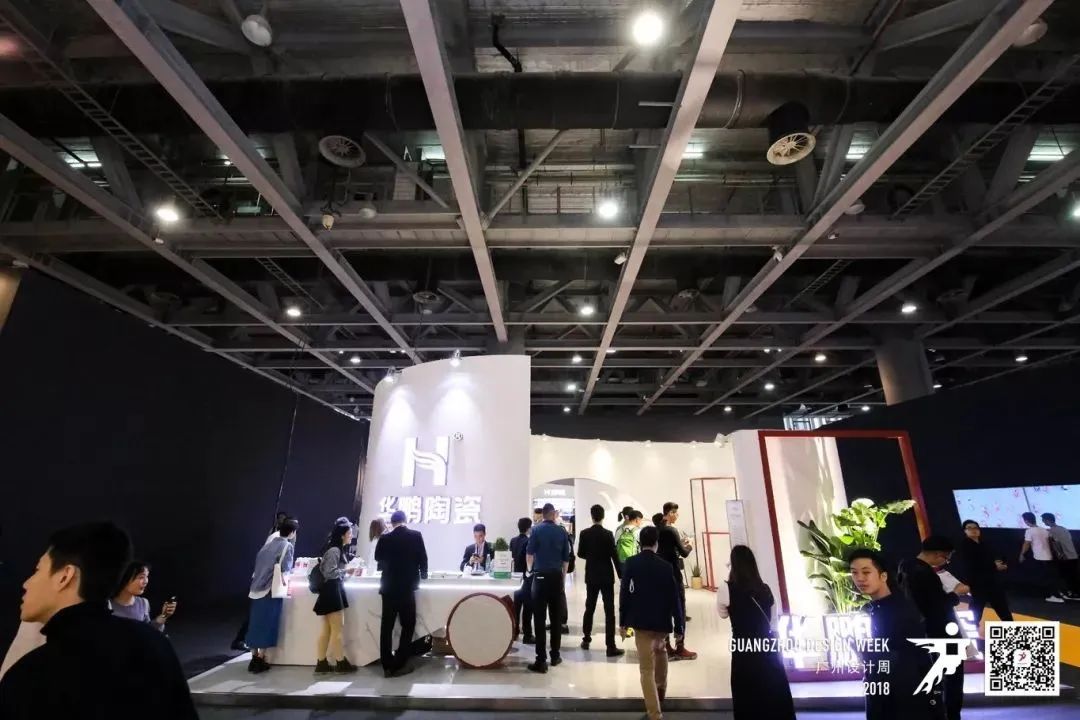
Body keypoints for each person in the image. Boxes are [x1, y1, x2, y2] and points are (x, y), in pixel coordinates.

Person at [0, 522, 196, 719]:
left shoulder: (31, 675)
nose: (26, 583)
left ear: (65, 576)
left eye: (37, 570)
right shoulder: (156, 646)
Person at [848, 548, 934, 720]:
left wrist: (865, 653)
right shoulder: (877, 607)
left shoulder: (898, 609)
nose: (860, 578)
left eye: (866, 572)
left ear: (883, 576)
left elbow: (906, 656)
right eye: (854, 573)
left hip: (902, 693)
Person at [716, 545, 795, 720]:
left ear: (733, 565)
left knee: (746, 694)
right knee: (772, 690)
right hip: (767, 646)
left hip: (743, 648)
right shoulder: (766, 589)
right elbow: (773, 623)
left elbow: (722, 614)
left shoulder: (726, 588)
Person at [898, 536, 968, 720]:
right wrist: (956, 594)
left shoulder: (905, 566)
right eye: (947, 558)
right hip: (942, 632)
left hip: (925, 631)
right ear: (938, 554)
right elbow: (938, 605)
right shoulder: (923, 573)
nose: (946, 562)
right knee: (952, 679)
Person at [619, 525, 683, 720]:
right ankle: (660, 692)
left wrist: (623, 621)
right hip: (661, 621)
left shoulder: (631, 563)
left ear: (640, 543)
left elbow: (624, 594)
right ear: (656, 543)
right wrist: (679, 625)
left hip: (641, 622)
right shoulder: (665, 566)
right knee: (661, 654)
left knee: (646, 669)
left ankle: (655, 713)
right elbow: (674, 597)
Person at [374, 509, 429, 677]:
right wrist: (424, 575)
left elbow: (378, 558)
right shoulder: (415, 536)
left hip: (388, 588)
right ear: (405, 521)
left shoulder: (385, 538)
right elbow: (423, 558)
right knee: (408, 625)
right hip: (407, 588)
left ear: (392, 523)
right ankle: (399, 662)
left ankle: (386, 665)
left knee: (386, 627)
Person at [245, 517, 298, 673]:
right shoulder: (286, 546)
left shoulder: (266, 546)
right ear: (292, 532)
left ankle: (253, 657)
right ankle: (261, 659)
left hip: (255, 589)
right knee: (267, 624)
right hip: (270, 589)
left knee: (254, 624)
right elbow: (286, 568)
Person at [526, 502, 571, 673]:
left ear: (543, 514)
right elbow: (566, 559)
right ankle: (555, 656)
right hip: (556, 577)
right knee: (556, 619)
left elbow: (529, 554)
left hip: (540, 577)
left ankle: (541, 660)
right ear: (553, 514)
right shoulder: (562, 531)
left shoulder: (536, 530)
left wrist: (530, 570)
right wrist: (563, 578)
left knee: (539, 619)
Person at [577, 504, 624, 656]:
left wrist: (591, 556)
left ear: (592, 516)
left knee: (589, 607)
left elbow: (580, 553)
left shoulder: (584, 534)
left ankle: (586, 639)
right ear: (603, 517)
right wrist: (621, 575)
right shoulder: (608, 534)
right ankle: (610, 646)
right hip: (606, 575)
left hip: (591, 574)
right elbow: (614, 555)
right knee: (609, 611)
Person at [313, 519, 358, 673]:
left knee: (327, 629)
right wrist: (347, 571)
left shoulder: (335, 549)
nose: (351, 536)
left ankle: (321, 663)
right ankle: (340, 663)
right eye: (349, 533)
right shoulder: (334, 551)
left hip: (330, 591)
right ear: (342, 535)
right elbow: (330, 573)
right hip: (332, 591)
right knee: (337, 629)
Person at [656, 502, 695, 660]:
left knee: (664, 610)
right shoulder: (671, 530)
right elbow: (683, 553)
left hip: (660, 574)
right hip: (673, 574)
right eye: (675, 513)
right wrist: (690, 545)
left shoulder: (657, 529)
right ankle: (680, 646)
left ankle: (666, 646)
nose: (677, 515)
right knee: (680, 611)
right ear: (670, 513)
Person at [957, 519, 1013, 626]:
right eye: (969, 528)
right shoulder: (965, 545)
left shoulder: (983, 543)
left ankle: (1009, 624)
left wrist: (998, 563)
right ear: (965, 531)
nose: (973, 530)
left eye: (975, 528)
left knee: (999, 604)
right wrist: (994, 566)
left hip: (991, 579)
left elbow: (990, 558)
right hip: (978, 581)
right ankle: (974, 621)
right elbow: (974, 564)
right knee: (978, 603)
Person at [111, 561, 176, 631]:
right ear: (124, 578)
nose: (146, 581)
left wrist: (164, 615)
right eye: (141, 577)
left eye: (147, 576)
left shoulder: (143, 603)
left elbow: (149, 631)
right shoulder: (108, 605)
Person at [1019, 511, 1064, 602]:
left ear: (1026, 521)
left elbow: (1027, 543)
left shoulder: (1029, 531)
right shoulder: (1044, 530)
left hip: (1040, 557)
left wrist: (1022, 554)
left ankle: (1054, 596)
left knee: (1045, 577)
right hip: (1049, 556)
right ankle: (1057, 593)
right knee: (1051, 576)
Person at [1042, 513, 1080, 599]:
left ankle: (1072, 593)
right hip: (1073, 555)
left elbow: (1056, 544)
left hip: (1065, 557)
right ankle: (1076, 593)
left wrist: (1059, 554)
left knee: (1067, 576)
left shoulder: (1051, 531)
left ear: (1048, 520)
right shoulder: (1064, 529)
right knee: (1074, 576)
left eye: (1044, 521)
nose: (1043, 522)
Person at [510, 517, 534, 644]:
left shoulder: (513, 541)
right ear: (528, 528)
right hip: (526, 578)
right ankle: (527, 634)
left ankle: (514, 632)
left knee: (516, 606)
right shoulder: (528, 541)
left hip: (515, 577)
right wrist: (530, 572)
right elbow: (529, 559)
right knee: (528, 607)